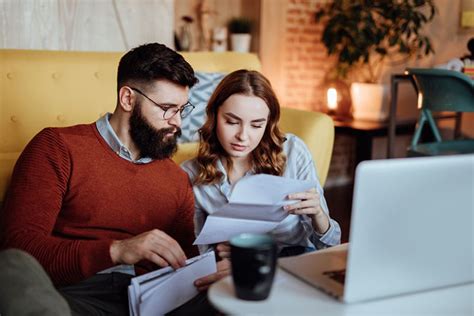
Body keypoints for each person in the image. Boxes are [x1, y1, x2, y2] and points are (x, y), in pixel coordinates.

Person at [0, 43, 215, 315]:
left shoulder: (176, 177)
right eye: (167, 108)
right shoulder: (57, 147)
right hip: (76, 297)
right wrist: (117, 251)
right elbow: (19, 249)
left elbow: (185, 266)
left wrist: (218, 266)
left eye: (182, 110)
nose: (178, 123)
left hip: (153, 301)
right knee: (11, 268)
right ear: (127, 99)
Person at [181, 70, 341, 290]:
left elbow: (330, 245)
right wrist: (218, 252)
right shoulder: (191, 174)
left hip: (294, 264)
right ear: (214, 115)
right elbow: (198, 253)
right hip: (235, 270)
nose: (243, 136)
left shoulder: (293, 152)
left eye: (256, 125)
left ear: (268, 123)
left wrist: (319, 215)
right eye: (231, 122)